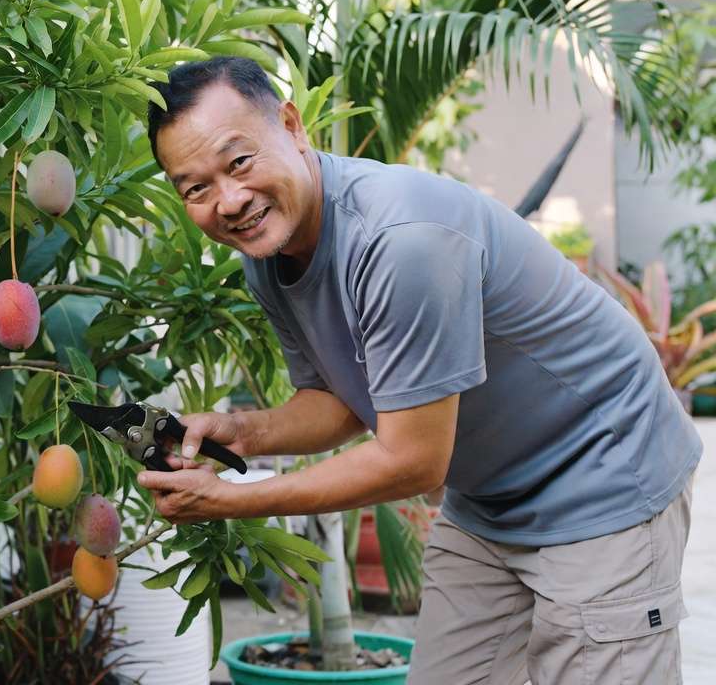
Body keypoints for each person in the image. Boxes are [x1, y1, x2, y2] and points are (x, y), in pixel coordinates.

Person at [137, 56, 701, 684]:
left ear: (293, 126)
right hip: (491, 497)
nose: (230, 200)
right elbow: (342, 399)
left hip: (605, 475)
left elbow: (411, 462)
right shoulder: (268, 254)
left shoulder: (400, 238)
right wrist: (242, 433)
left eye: (239, 162)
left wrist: (233, 501)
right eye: (196, 188)